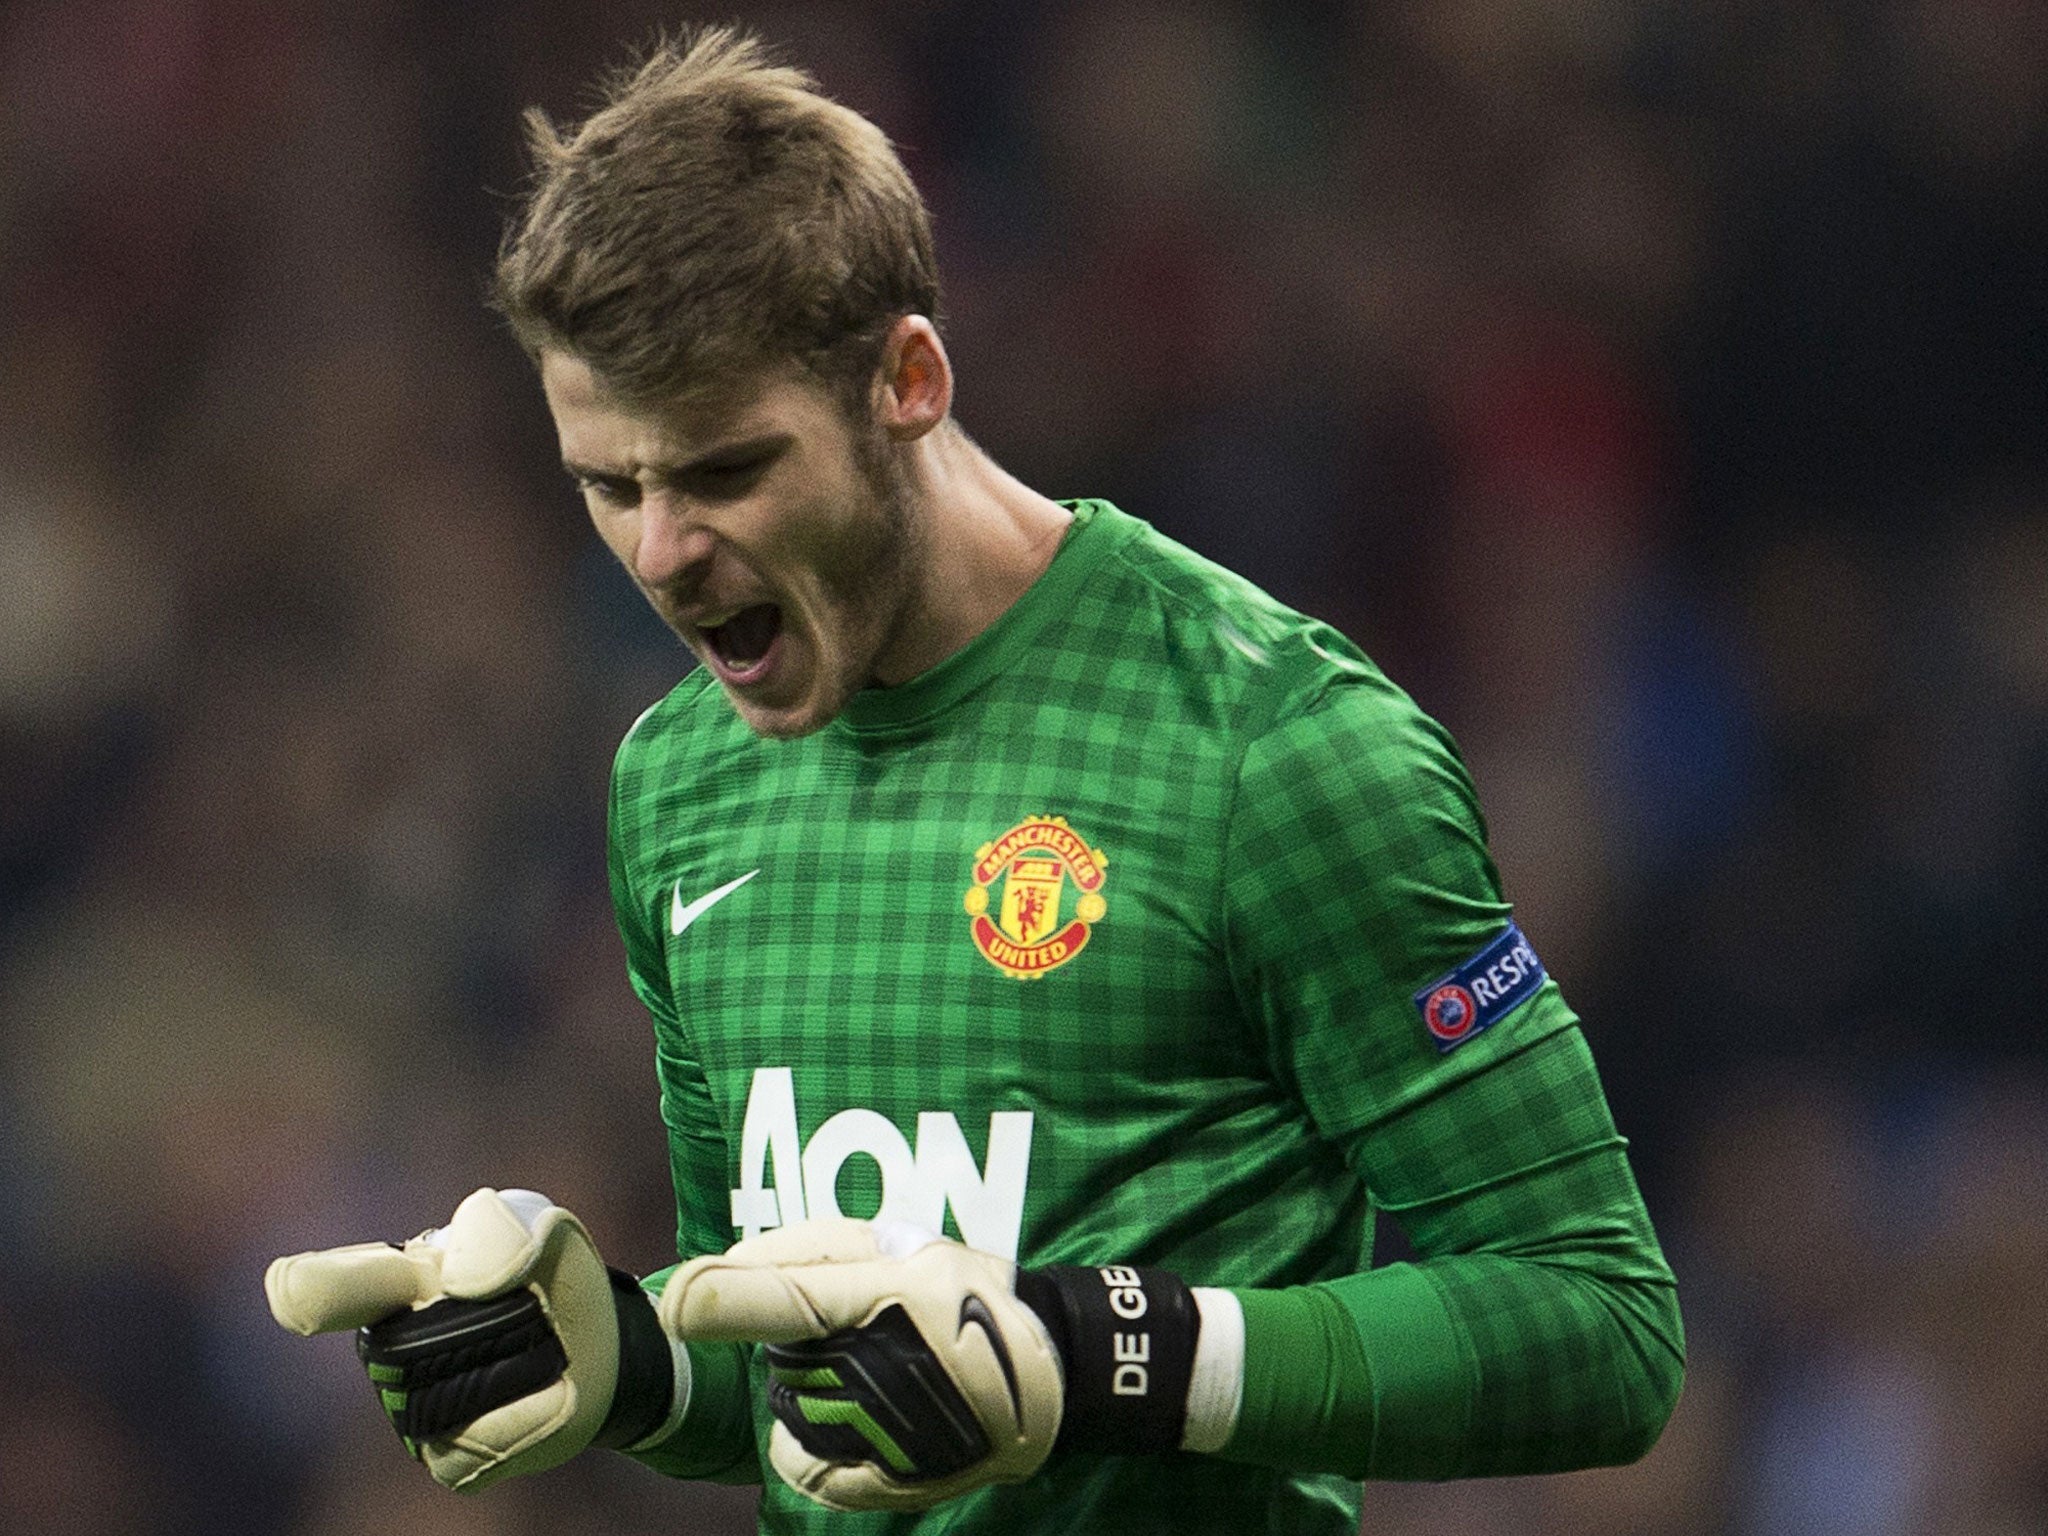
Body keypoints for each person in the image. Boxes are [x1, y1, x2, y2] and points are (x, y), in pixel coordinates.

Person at [265, 26, 1683, 1534]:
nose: (662, 554)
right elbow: (814, 1370)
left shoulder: (1271, 745)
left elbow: (1598, 1324)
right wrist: (623, 1361)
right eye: (611, 485)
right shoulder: (676, 781)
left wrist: (1104, 1358)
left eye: (729, 470)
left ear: (910, 380)